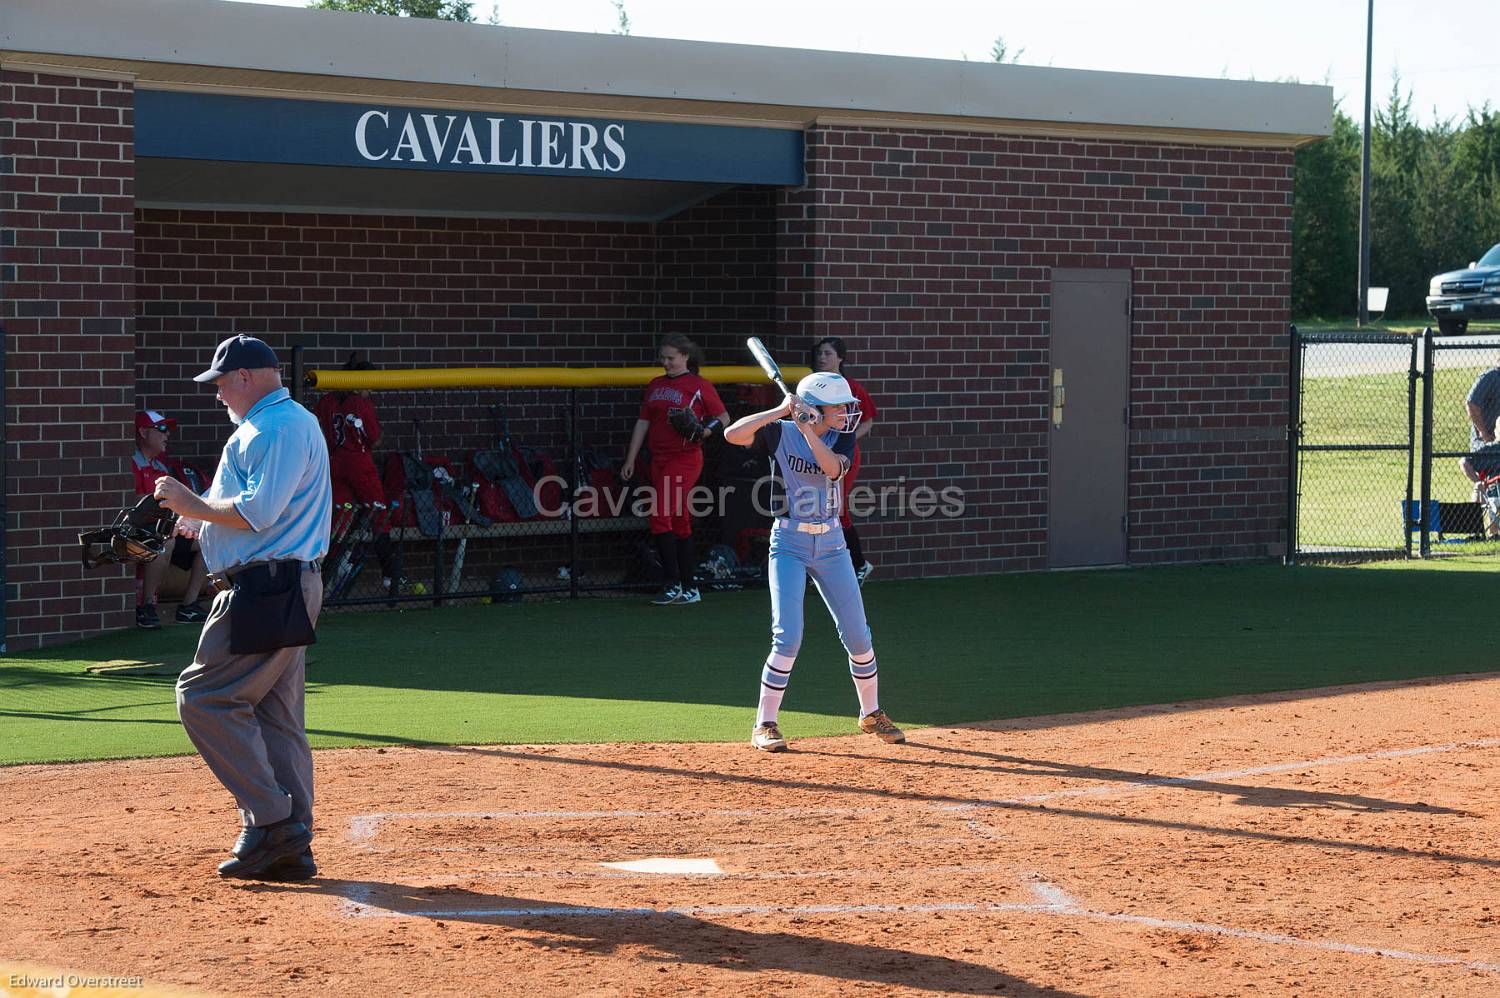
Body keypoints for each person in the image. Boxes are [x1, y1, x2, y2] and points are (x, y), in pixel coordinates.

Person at [153, 335, 332, 881]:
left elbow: (260, 512)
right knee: (275, 714)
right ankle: (289, 840)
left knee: (202, 696)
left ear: (248, 377)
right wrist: (196, 520)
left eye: (223, 383)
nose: (218, 395)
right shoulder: (272, 426)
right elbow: (244, 511)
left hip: (266, 586)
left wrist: (192, 503)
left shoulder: (277, 426)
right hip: (276, 583)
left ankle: (275, 822)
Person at [723, 370, 904, 752]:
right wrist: (779, 411)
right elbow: (732, 434)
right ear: (814, 408)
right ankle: (765, 723)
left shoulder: (843, 437)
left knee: (858, 634)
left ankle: (870, 713)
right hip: (788, 542)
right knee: (787, 637)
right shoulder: (780, 433)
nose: (845, 413)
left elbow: (832, 468)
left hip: (833, 546)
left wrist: (808, 430)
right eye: (838, 407)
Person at [621, 334, 730, 605]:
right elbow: (643, 422)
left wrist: (706, 431)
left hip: (685, 458)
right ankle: (690, 587)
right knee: (679, 521)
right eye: (663, 358)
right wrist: (631, 459)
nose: (666, 362)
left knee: (659, 515)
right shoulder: (655, 385)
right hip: (657, 459)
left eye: (671, 358)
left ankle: (671, 583)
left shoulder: (697, 385)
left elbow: (723, 417)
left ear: (685, 357)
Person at [312, 353, 406, 593]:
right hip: (359, 463)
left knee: (338, 519)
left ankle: (325, 574)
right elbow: (373, 438)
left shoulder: (326, 400)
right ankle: (390, 575)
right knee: (379, 516)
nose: (371, 390)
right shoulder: (360, 403)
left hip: (333, 462)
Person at [131, 409, 210, 627]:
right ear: (143, 432)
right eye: (162, 429)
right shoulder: (131, 463)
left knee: (209, 539)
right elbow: (135, 502)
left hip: (166, 526)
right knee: (165, 540)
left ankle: (188, 607)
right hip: (137, 531)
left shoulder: (162, 467)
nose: (167, 435)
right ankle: (146, 607)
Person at [811, 337, 878, 583]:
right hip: (816, 452)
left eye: (828, 353)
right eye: (820, 353)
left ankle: (859, 564)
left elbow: (868, 422)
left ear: (840, 358)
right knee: (816, 507)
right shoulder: (813, 386)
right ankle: (823, 565)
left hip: (842, 455)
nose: (822, 358)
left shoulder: (852, 387)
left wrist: (845, 440)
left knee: (838, 510)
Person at [1460, 363, 1500, 538]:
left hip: (1496, 440)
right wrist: (1484, 434)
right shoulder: (1491, 377)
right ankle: (1481, 531)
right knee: (1486, 484)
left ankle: (1491, 533)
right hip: (1487, 442)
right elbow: (1471, 403)